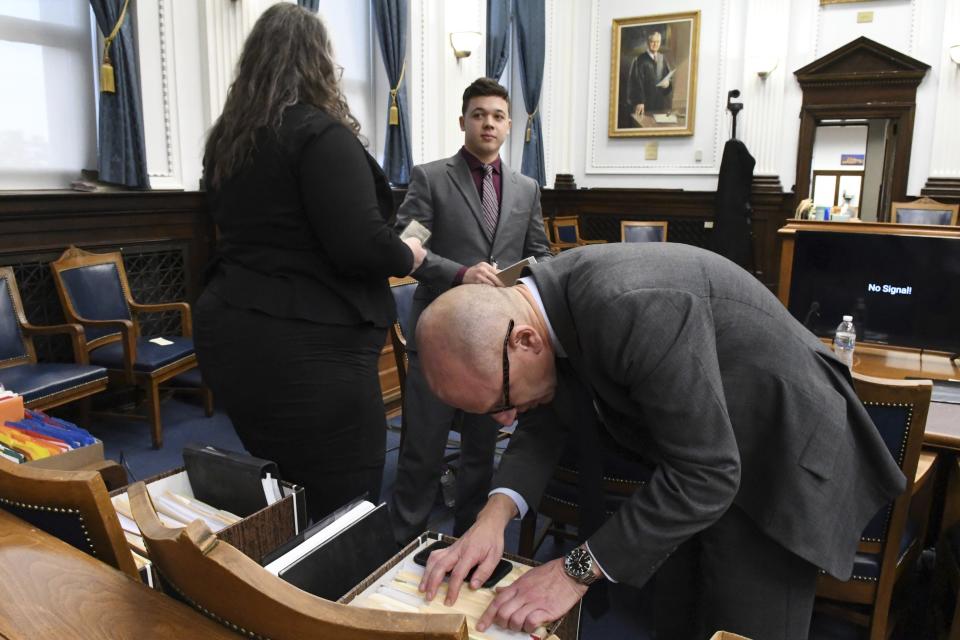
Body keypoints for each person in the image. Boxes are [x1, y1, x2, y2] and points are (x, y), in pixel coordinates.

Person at [414, 243, 905, 639]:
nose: (504, 421)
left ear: (525, 341)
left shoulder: (629, 304)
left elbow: (709, 473)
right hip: (699, 457)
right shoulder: (539, 312)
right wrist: (491, 518)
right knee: (678, 615)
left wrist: (573, 569)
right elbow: (545, 419)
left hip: (779, 455)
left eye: (502, 401)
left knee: (742, 627)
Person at [193, 4, 426, 523]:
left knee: (279, 484)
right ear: (320, 62)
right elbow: (359, 245)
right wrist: (407, 254)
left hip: (232, 330)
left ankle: (276, 585)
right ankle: (322, 596)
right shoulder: (319, 135)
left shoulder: (228, 140)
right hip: (306, 347)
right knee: (345, 503)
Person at [389, 77, 552, 545]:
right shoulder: (431, 177)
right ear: (463, 121)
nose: (489, 123)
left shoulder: (526, 189)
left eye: (498, 116)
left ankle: (468, 541)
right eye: (479, 114)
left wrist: (527, 275)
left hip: (498, 344)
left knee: (481, 452)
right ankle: (403, 542)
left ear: (509, 126)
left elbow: (540, 252)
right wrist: (461, 274)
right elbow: (409, 244)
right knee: (422, 448)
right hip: (439, 336)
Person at [624, 30, 673, 121]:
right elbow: (635, 82)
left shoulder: (662, 58)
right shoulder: (639, 60)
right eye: (652, 42)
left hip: (660, 103)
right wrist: (639, 101)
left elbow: (668, 78)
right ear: (647, 42)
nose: (655, 44)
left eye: (658, 42)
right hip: (644, 104)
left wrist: (668, 84)